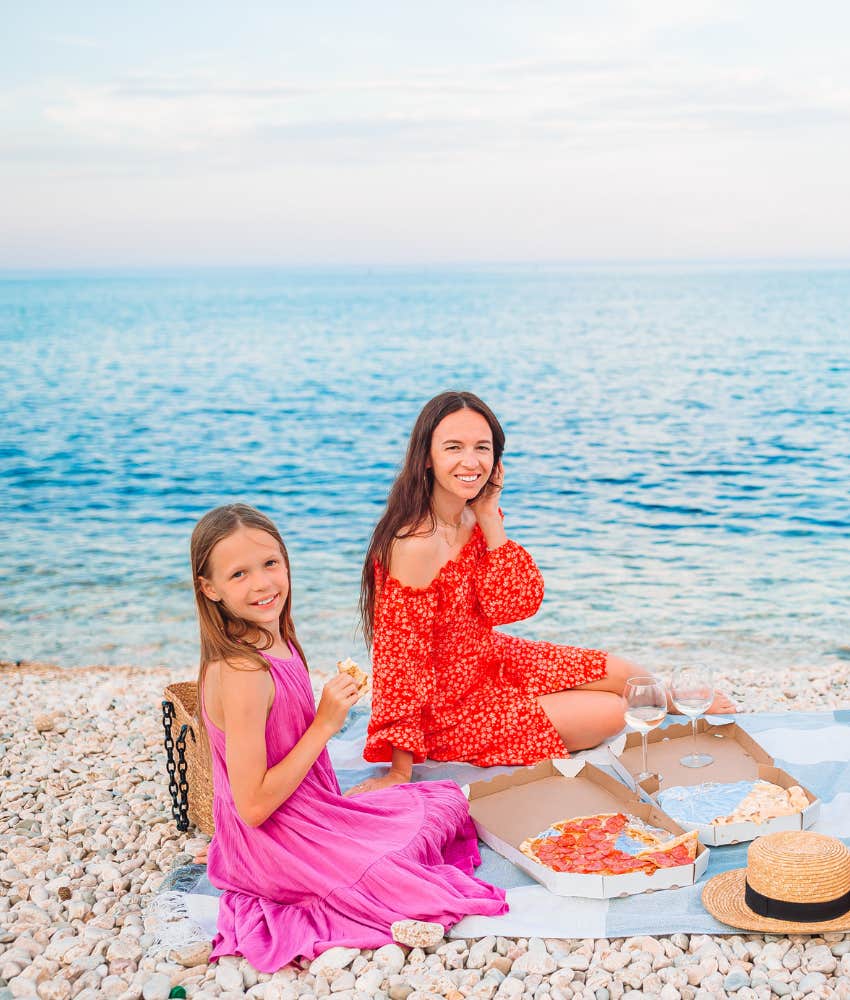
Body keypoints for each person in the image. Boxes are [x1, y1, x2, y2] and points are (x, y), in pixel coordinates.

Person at [353, 391, 735, 795]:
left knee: (629, 674)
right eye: (454, 448)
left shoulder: (473, 512)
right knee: (615, 711)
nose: (471, 462)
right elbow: (400, 661)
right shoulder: (414, 543)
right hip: (450, 707)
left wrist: (488, 517)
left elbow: (515, 603)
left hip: (491, 656)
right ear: (426, 457)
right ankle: (624, 706)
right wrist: (400, 769)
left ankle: (669, 703)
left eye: (482, 448)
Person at [190, 503, 507, 972]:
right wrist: (325, 724)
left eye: (270, 564)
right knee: (398, 883)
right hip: (272, 838)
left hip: (311, 809)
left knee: (442, 803)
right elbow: (252, 806)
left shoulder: (275, 636)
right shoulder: (241, 672)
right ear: (210, 589)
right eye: (239, 574)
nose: (261, 584)